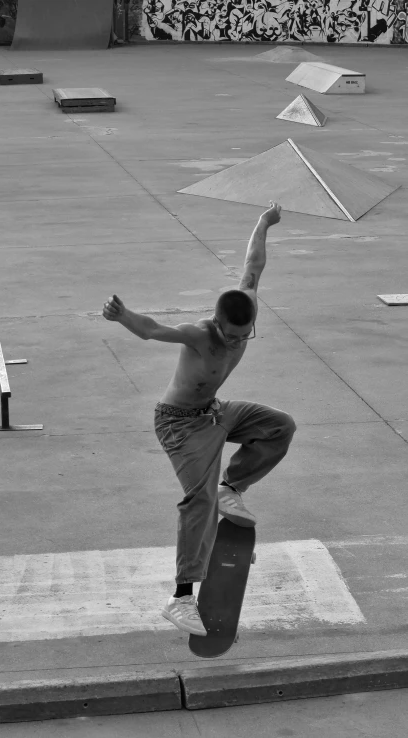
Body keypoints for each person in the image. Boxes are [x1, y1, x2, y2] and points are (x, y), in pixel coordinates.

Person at [102, 201, 296, 637]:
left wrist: (264, 222)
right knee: (198, 501)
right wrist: (122, 316)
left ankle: (233, 488)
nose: (234, 343)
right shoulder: (198, 333)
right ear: (216, 321)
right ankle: (181, 598)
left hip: (214, 413)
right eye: (229, 335)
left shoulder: (246, 302)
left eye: (243, 337)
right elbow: (152, 330)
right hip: (179, 424)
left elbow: (253, 264)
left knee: (279, 425)